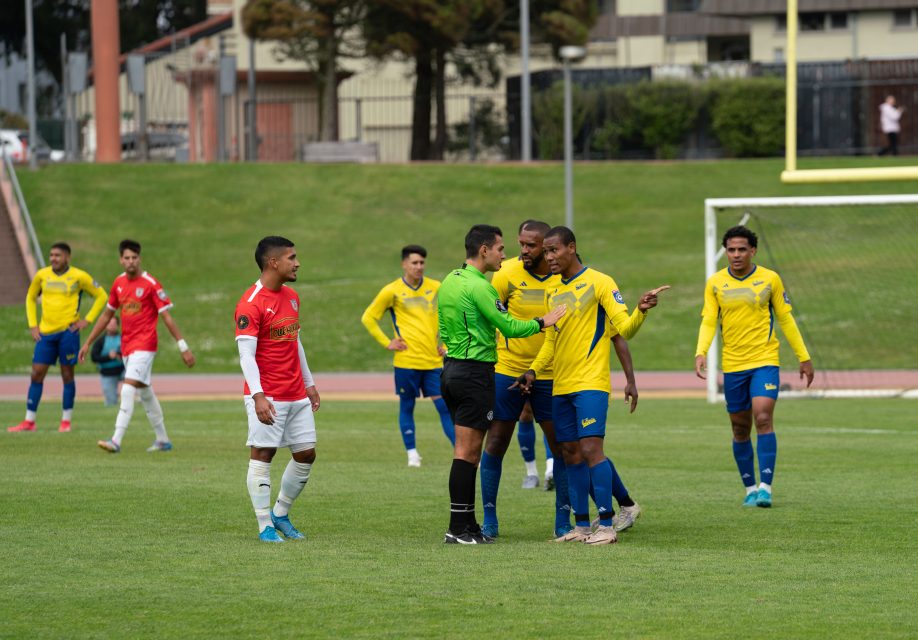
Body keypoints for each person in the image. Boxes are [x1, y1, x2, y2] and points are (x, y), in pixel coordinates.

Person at [518, 226, 668, 545]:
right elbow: (550, 341)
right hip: (562, 385)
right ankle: (582, 526)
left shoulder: (601, 282)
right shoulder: (553, 291)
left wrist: (640, 311)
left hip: (591, 382)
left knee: (590, 450)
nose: (549, 257)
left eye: (554, 250)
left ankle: (607, 525)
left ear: (571, 248)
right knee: (569, 452)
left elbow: (624, 329)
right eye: (546, 252)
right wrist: (532, 370)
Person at [437, 224, 566, 544]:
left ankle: (465, 526)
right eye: (500, 249)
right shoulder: (482, 287)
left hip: (451, 370)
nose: (504, 255)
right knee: (469, 454)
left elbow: (441, 324)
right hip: (475, 373)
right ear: (483, 250)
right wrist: (542, 322)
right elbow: (507, 326)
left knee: (463, 453)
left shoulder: (450, 280)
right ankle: (460, 528)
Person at [695, 225, 814, 509]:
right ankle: (749, 487)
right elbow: (709, 320)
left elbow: (785, 319)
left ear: (753, 251)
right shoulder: (715, 283)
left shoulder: (770, 279)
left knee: (762, 417)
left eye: (741, 249)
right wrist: (700, 352)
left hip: (764, 360)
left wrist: (804, 356)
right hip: (734, 365)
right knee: (739, 428)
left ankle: (766, 488)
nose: (736, 255)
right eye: (731, 250)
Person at [480, 220, 570, 539]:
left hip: (550, 373)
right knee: (496, 442)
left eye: (531, 245)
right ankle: (489, 519)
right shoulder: (505, 274)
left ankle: (562, 521)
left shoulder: (563, 277)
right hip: (508, 370)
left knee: (560, 446)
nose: (524, 250)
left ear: (548, 245)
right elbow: (488, 314)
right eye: (521, 244)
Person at [235, 236, 321, 543]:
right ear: (273, 262)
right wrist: (258, 395)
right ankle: (264, 526)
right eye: (292, 257)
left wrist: (309, 384)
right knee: (263, 455)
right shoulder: (251, 302)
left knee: (306, 454)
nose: (297, 263)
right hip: (267, 394)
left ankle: (280, 513)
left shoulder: (293, 296)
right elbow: (246, 355)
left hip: (296, 392)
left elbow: (295, 341)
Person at [78, 239, 195, 453]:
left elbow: (167, 317)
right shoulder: (118, 283)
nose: (131, 261)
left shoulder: (150, 283)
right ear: (120, 260)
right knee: (145, 392)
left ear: (139, 259)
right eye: (126, 258)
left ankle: (116, 439)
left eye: (134, 258)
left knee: (128, 387)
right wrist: (87, 342)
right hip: (128, 347)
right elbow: (106, 315)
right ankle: (163, 440)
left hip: (146, 345)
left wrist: (183, 346)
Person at [361, 244, 455, 467]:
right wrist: (387, 342)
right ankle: (412, 454)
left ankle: (461, 451)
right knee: (407, 406)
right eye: (414, 263)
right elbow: (368, 318)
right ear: (404, 264)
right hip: (406, 361)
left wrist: (448, 344)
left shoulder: (437, 287)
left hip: (433, 362)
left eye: (422, 262)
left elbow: (451, 315)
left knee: (444, 407)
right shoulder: (391, 290)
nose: (419, 267)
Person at [8, 242, 107, 433]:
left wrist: (87, 320)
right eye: (51, 255)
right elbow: (30, 297)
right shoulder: (42, 275)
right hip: (45, 334)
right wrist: (33, 324)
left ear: (67, 257)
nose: (53, 258)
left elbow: (102, 296)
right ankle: (29, 421)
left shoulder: (79, 276)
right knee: (36, 373)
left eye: (58, 255)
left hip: (68, 334)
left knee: (67, 375)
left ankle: (66, 421)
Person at [91, 316, 125, 406]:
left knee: (138, 378)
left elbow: (131, 353)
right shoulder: (101, 341)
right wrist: (108, 357)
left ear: (118, 325)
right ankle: (113, 396)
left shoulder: (123, 338)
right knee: (111, 403)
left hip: (123, 371)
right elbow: (94, 357)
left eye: (114, 324)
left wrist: (120, 355)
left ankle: (139, 398)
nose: (112, 326)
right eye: (110, 324)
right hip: (107, 373)